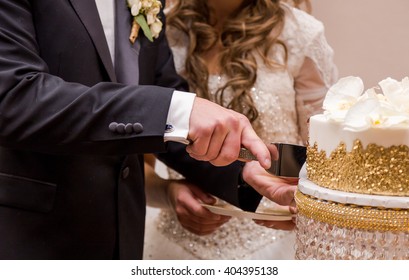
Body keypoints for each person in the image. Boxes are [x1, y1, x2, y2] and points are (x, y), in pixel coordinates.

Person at [0, 0, 287, 260]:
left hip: (125, 233)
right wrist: (177, 111)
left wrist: (241, 170)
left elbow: (161, 95)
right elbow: (14, 97)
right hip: (36, 237)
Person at [143, 0, 338, 259]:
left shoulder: (300, 34)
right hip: (177, 247)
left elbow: (330, 159)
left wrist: (307, 208)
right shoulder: (160, 31)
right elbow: (133, 161)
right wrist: (168, 193)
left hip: (273, 243)